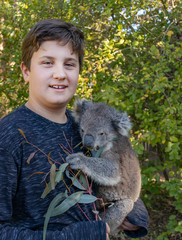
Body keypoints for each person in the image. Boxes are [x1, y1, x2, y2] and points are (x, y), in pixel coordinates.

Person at [0, 19, 149, 240]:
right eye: (47, 63)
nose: (60, 74)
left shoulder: (85, 124)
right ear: (26, 71)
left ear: (79, 71)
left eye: (69, 64)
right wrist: (75, 236)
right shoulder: (9, 136)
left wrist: (134, 212)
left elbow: (121, 173)